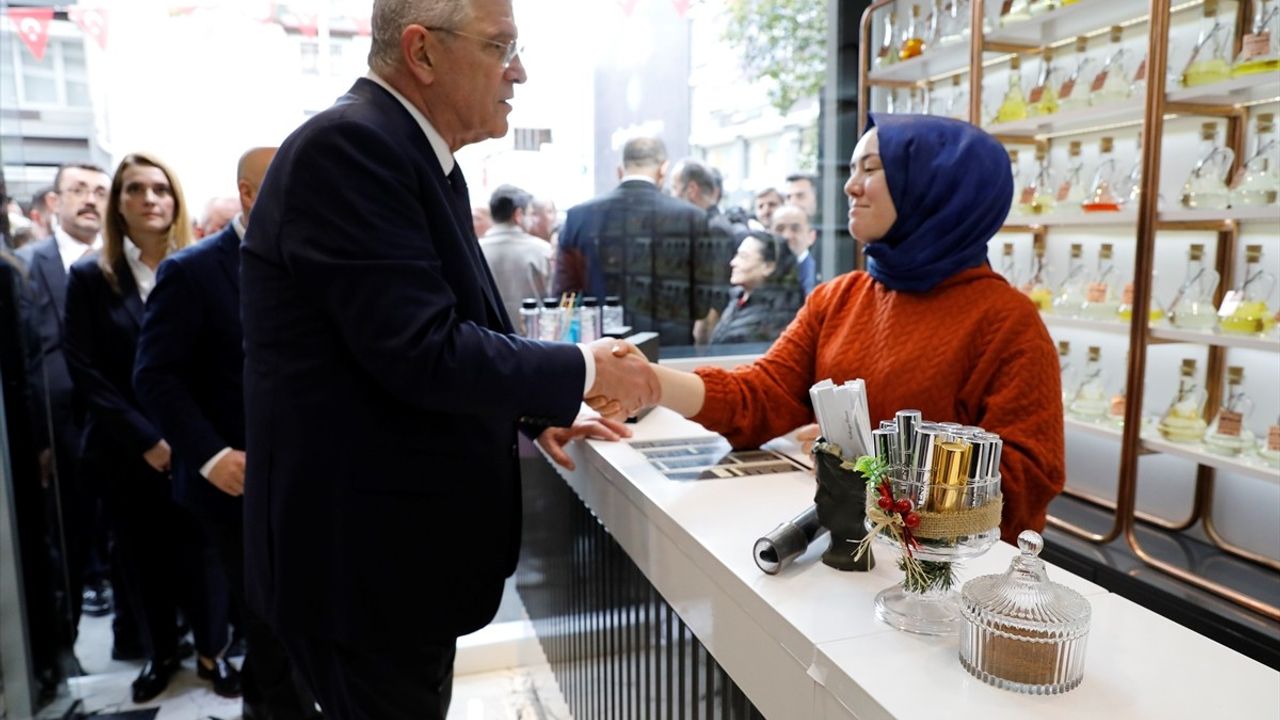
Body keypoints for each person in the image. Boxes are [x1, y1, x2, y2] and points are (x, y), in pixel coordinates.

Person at [239, 0, 657, 716]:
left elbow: (433, 329)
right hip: (365, 569)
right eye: (501, 47)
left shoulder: (410, 152)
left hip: (390, 564)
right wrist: (584, 370)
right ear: (422, 52)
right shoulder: (352, 149)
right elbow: (421, 350)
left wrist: (533, 409)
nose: (518, 72)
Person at [617, 115, 1064, 542]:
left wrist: (867, 462)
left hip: (950, 587)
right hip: (852, 555)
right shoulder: (839, 298)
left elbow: (1025, 479)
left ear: (933, 186)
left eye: (870, 169)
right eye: (851, 169)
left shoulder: (1008, 322)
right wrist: (651, 382)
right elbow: (762, 396)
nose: (850, 186)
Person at [134, 147, 320, 716]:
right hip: (232, 486)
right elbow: (155, 375)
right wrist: (213, 457)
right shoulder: (191, 271)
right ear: (248, 193)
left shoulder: (317, 262)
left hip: (307, 481)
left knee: (293, 628)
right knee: (270, 628)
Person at [63, 152, 230, 702]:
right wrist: (146, 440)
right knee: (141, 557)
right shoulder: (92, 275)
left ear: (176, 200)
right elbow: (86, 371)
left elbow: (212, 366)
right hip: (125, 449)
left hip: (198, 444)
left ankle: (212, 652)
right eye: (135, 189)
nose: (150, 199)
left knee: (206, 554)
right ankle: (161, 653)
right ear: (119, 203)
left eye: (161, 189)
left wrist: (187, 440)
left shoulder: (201, 266)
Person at [16, 163, 112, 633]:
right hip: (61, 423)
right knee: (68, 532)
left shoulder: (122, 261)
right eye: (78, 190)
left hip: (122, 420)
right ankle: (63, 640)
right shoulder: (31, 264)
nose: (90, 200)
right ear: (55, 201)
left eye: (99, 190)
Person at [555, 136, 707, 346]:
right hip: (673, 350)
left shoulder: (578, 217)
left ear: (620, 170)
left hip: (603, 350)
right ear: (663, 170)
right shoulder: (693, 218)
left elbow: (565, 296)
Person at [704, 231, 798, 345]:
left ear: (768, 267)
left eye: (743, 257)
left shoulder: (775, 315)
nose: (733, 262)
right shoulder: (737, 299)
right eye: (736, 255)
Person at [479, 184, 552, 329]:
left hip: (487, 341)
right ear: (518, 215)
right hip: (533, 341)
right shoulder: (542, 251)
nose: (532, 221)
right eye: (530, 214)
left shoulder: (476, 250)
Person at [771, 203, 818, 296]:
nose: (786, 236)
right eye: (779, 229)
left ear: (811, 236)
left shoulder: (818, 276)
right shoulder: (762, 273)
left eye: (795, 229)